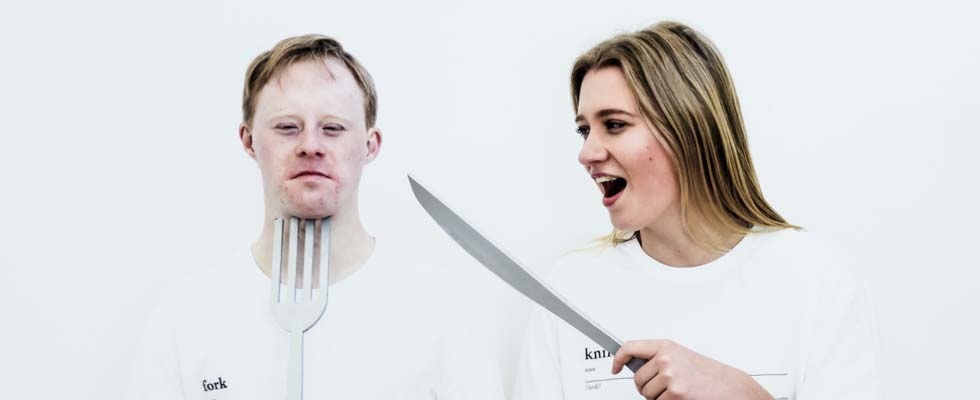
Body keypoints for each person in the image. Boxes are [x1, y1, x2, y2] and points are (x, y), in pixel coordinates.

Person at [513, 21, 880, 400]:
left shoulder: (815, 281)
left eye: (615, 124)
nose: (587, 153)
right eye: (584, 130)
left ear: (689, 126)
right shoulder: (570, 289)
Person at [127, 34, 502, 399]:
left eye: (333, 128)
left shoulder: (446, 312)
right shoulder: (183, 320)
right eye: (287, 127)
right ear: (248, 141)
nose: (310, 146)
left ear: (370, 146)